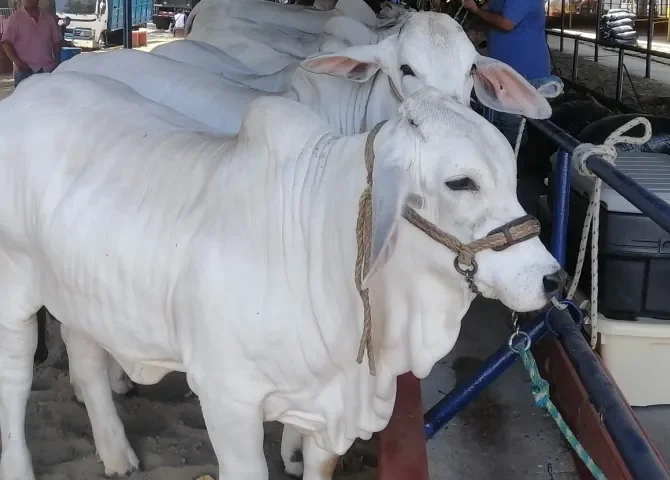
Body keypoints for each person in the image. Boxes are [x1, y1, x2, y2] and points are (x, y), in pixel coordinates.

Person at [461, 0, 554, 146]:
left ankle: (518, 163)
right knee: (498, 118)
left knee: (512, 124)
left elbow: (506, 23)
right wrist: (476, 28)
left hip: (522, 72)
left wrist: (475, 9)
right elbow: (491, 16)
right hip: (501, 70)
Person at [1, 0, 62, 88]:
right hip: (24, 71)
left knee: (46, 100)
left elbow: (57, 41)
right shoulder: (15, 19)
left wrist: (57, 62)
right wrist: (19, 63)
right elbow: (6, 43)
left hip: (47, 70)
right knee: (24, 101)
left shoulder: (48, 18)